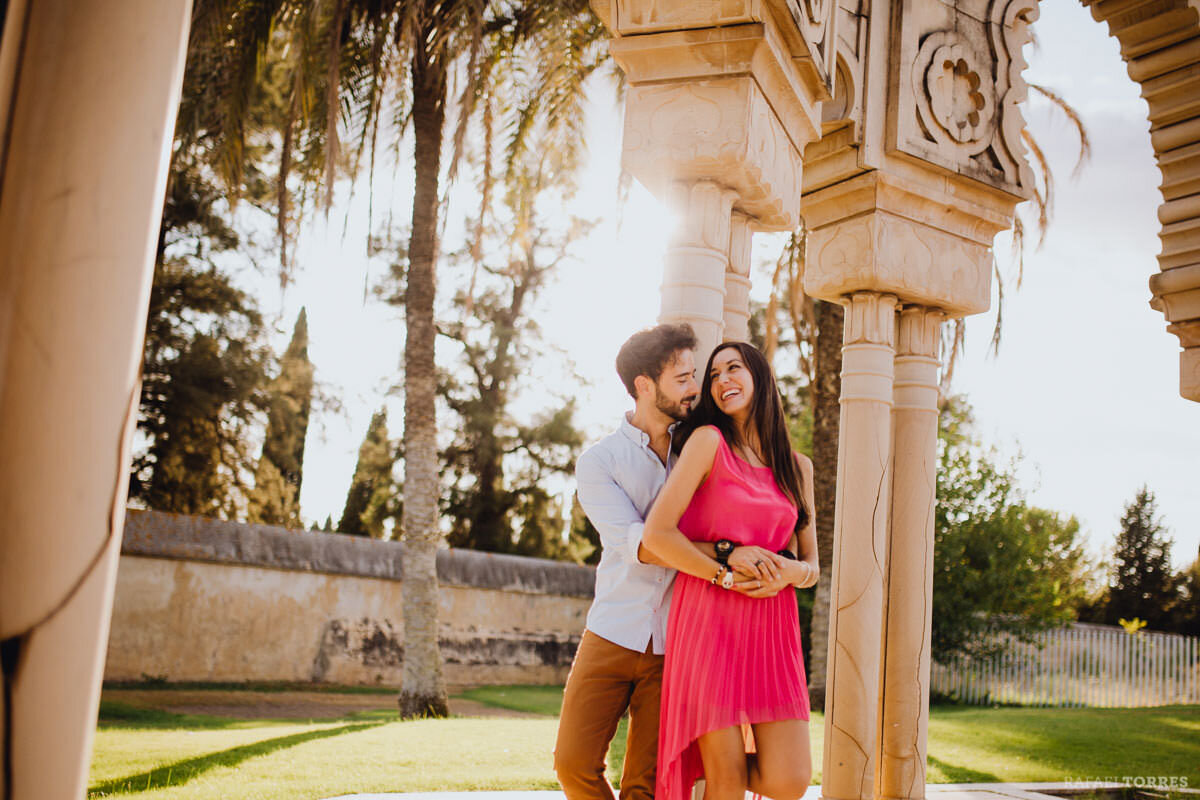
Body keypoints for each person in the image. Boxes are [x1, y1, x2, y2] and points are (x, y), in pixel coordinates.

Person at [556, 324, 774, 800]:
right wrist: (724, 559)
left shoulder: (702, 447)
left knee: (647, 786)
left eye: (695, 375)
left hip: (678, 641)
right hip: (612, 631)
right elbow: (645, 544)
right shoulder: (600, 462)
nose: (695, 388)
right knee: (573, 765)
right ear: (643, 385)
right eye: (682, 378)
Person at [642, 340, 819, 800]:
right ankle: (715, 777)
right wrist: (723, 567)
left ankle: (710, 776)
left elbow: (812, 566)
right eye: (714, 376)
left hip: (774, 627)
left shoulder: (798, 469)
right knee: (727, 780)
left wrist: (787, 571)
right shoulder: (708, 443)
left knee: (790, 779)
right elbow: (657, 535)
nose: (722, 382)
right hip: (708, 617)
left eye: (733, 368)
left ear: (761, 377)